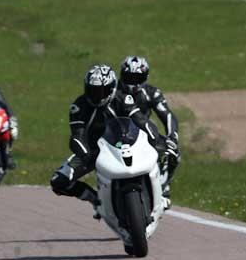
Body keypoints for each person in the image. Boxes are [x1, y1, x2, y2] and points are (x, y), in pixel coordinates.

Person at [49, 64, 166, 208]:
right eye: (92, 90)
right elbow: (76, 137)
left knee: (168, 150)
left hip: (129, 142)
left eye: (102, 91)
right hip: (94, 150)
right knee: (58, 182)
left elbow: (141, 120)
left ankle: (162, 192)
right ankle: (96, 200)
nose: (96, 95)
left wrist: (154, 139)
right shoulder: (79, 106)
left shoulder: (122, 98)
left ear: (112, 88)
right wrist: (86, 156)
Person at [116, 55, 180, 196]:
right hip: (116, 135)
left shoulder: (152, 93)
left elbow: (167, 115)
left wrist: (172, 136)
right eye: (129, 77)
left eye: (137, 78)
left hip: (144, 134)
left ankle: (164, 184)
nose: (132, 82)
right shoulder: (113, 92)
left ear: (145, 77)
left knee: (173, 152)